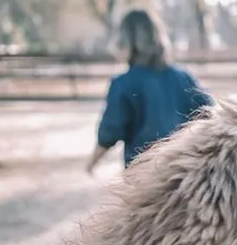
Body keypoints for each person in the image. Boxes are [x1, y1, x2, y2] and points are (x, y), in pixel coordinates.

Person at [86, 9, 213, 173]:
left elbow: (110, 132)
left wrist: (92, 162)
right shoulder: (183, 78)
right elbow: (210, 113)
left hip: (143, 179)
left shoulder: (123, 84)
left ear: (127, 41)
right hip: (183, 173)